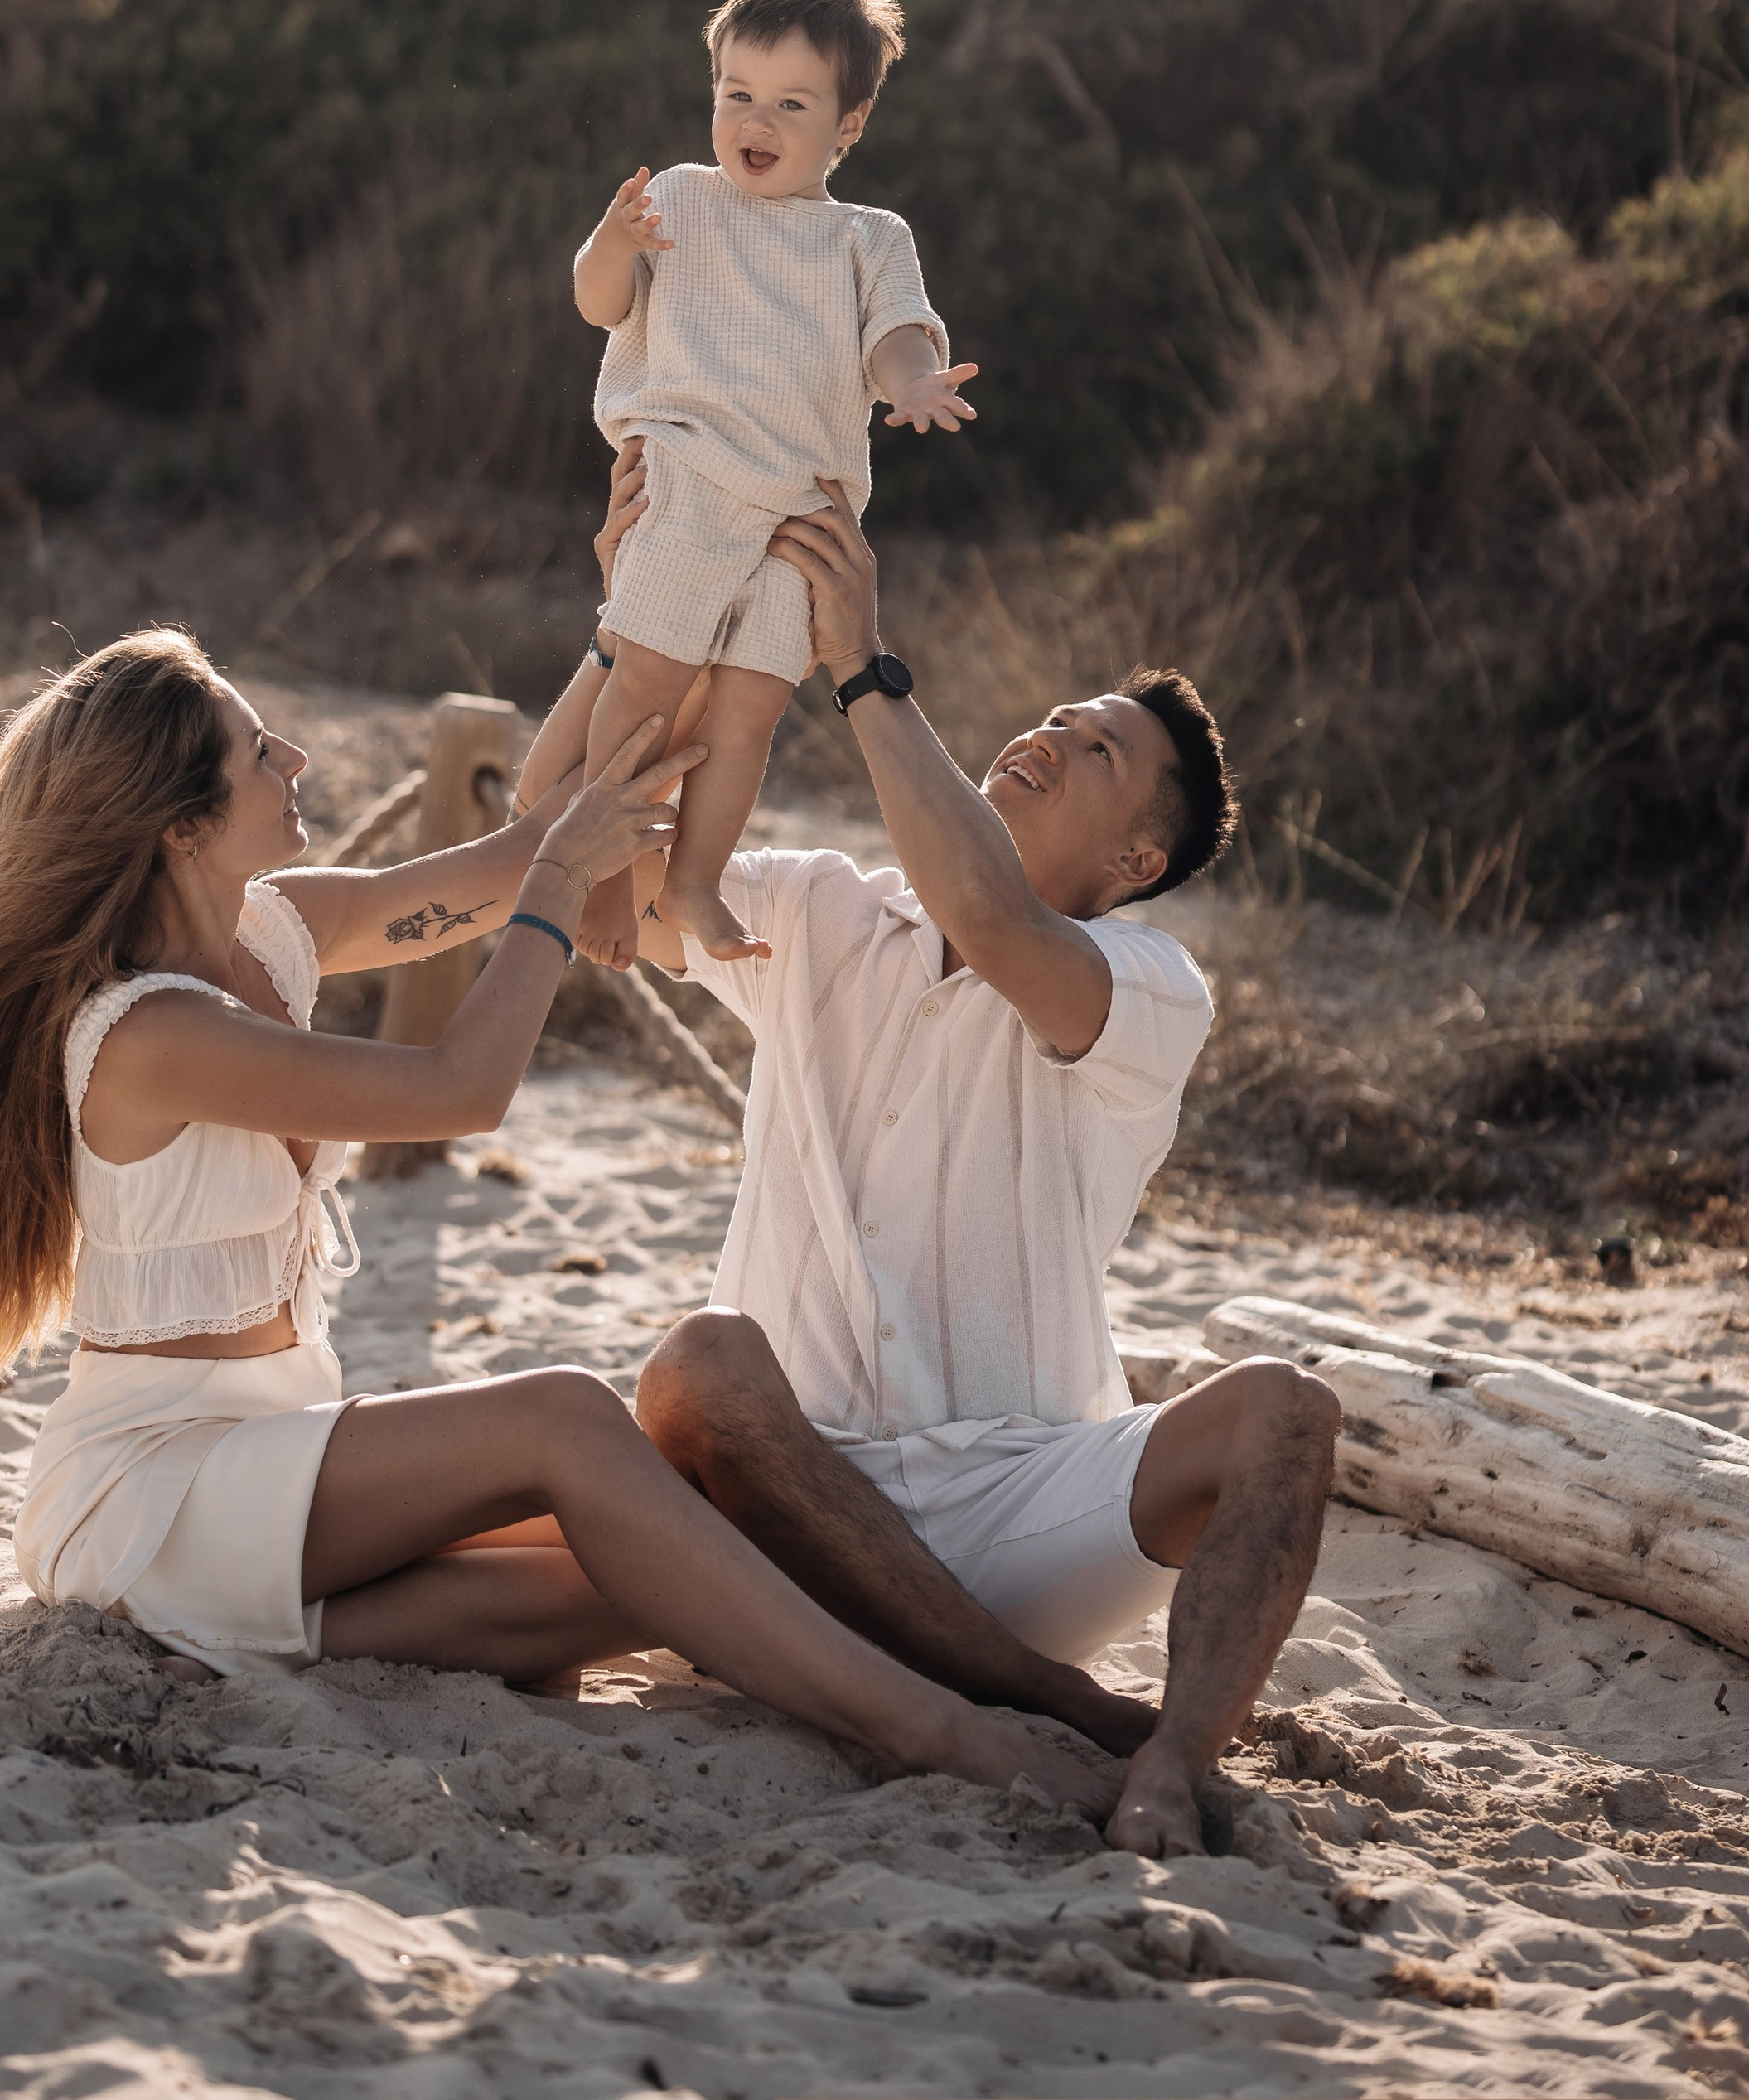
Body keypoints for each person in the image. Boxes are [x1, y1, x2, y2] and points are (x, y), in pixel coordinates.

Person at [0, 624, 1114, 1813]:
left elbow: (508, 851)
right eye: (260, 751)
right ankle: (944, 1731)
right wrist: (555, 890)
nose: (298, 755)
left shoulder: (274, 930)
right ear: (183, 828)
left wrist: (643, 612)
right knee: (564, 1417)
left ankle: (1023, 1694)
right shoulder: (147, 1032)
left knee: (664, 1540)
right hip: (157, 1496)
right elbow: (460, 1088)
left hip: (277, 1472)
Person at [516, 451, 1342, 1859]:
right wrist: (633, 624)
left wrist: (865, 674)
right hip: (790, 1498)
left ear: (1137, 858)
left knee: (1285, 1410)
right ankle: (1059, 1711)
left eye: (1097, 753)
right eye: (1057, 717)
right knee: (699, 1365)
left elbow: (1005, 927)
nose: (1051, 736)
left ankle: (1177, 1759)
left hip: (1024, 1512)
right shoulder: (819, 911)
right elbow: (548, 847)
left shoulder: (1146, 987)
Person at [571, 0, 978, 971]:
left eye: (792, 103)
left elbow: (896, 338)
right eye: (736, 94)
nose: (756, 119)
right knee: (645, 687)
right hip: (693, 482)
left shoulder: (868, 239)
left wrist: (913, 383)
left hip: (799, 522)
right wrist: (610, 244)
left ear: (849, 124)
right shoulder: (677, 198)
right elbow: (598, 304)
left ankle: (696, 884)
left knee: (749, 713)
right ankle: (603, 875)